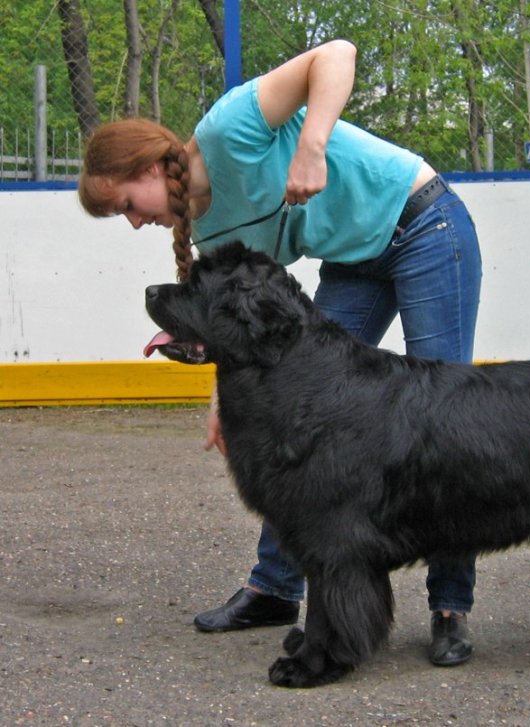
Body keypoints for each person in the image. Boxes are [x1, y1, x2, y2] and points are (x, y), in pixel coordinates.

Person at [78, 40, 482, 667]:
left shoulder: (228, 129)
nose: (133, 223)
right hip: (355, 259)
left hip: (423, 226)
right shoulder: (209, 229)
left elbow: (339, 53)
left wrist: (312, 144)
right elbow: (241, 337)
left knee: (447, 423)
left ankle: (450, 606)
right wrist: (224, 400)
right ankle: (274, 589)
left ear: (151, 168)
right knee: (298, 426)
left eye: (127, 205)